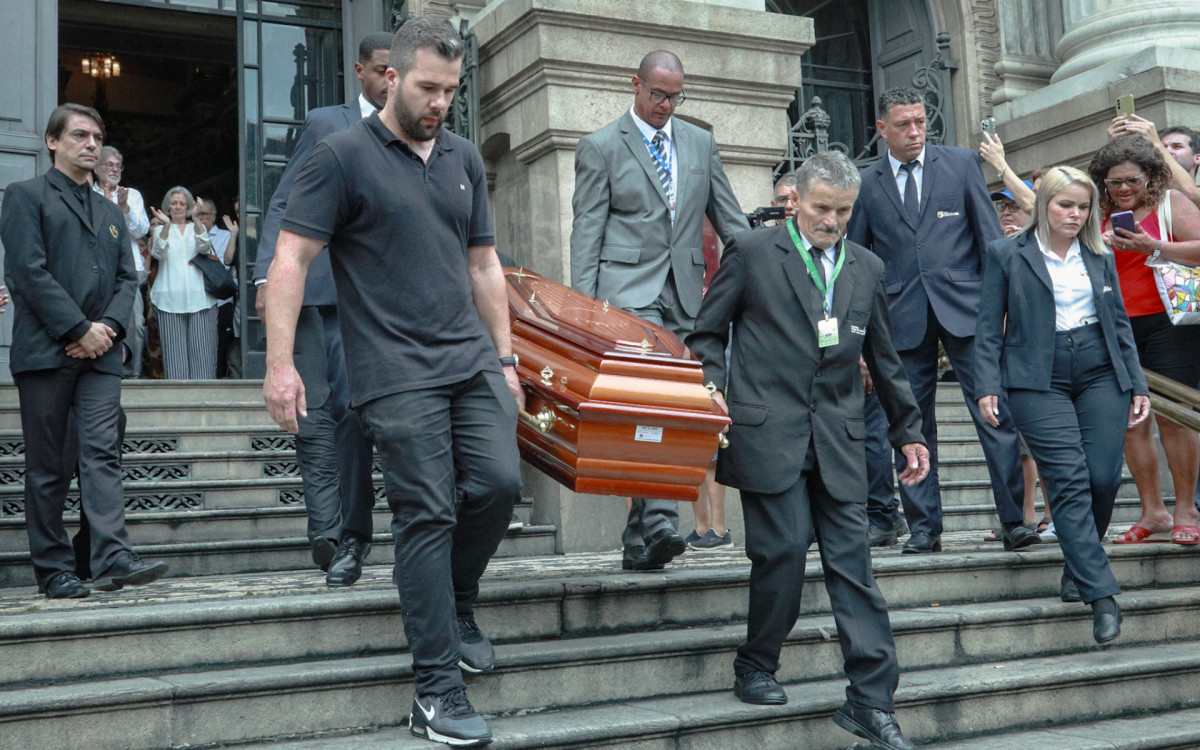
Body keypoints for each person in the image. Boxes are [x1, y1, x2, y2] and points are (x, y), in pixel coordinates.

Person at [262, 19, 520, 747]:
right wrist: (281, 366)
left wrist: (504, 359)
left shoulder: (464, 156)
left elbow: (483, 268)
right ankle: (435, 692)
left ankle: (457, 599)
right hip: (392, 369)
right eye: (428, 88)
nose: (440, 101)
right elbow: (290, 260)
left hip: (469, 359)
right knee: (427, 513)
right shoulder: (339, 156)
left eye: (451, 89)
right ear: (389, 77)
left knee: (499, 485)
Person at [687, 150, 928, 750]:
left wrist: (910, 432)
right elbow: (707, 332)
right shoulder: (752, 252)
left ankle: (872, 700)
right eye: (822, 208)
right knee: (784, 554)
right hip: (768, 433)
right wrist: (711, 385)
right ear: (796, 199)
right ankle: (757, 661)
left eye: (844, 211)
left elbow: (886, 360)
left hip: (841, 441)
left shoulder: (865, 267)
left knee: (857, 572)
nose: (832, 221)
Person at [570, 49, 750, 572]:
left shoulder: (700, 144)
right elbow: (587, 233)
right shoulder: (600, 146)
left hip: (686, 297)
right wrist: (587, 313)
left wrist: (774, 274)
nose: (667, 105)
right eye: (658, 95)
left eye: (676, 96)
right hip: (626, 295)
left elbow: (732, 224)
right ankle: (663, 521)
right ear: (636, 85)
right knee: (655, 404)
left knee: (674, 409)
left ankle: (640, 539)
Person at [848, 87, 1038, 554]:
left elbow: (991, 243)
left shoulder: (960, 163)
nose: (914, 132)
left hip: (969, 312)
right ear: (882, 129)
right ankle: (924, 528)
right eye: (903, 125)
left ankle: (1015, 520)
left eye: (919, 122)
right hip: (899, 316)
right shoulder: (867, 184)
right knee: (909, 424)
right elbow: (856, 258)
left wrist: (1003, 309)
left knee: (995, 416)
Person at [0, 103, 168, 599]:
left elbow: (126, 278)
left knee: (101, 451)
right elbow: (27, 273)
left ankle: (112, 554)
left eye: (97, 136)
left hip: (102, 355)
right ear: (52, 142)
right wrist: (77, 328)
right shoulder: (25, 196)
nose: (91, 144)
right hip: (46, 352)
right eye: (79, 135)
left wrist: (108, 329)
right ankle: (54, 570)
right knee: (48, 466)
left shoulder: (112, 211)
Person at [976, 165, 1150, 642]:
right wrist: (987, 385)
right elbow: (989, 327)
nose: (1075, 214)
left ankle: (1079, 565)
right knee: (1069, 480)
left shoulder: (1099, 255)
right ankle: (1102, 595)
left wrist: (1137, 383)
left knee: (1102, 476)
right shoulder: (1006, 253)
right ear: (1044, 205)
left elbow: (1118, 324)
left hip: (1100, 370)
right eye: (1065, 205)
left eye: (1083, 206)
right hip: (1037, 377)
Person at [255, 31, 392, 585]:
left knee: (353, 415)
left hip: (372, 300)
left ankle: (350, 531)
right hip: (315, 292)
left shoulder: (410, 131)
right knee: (313, 413)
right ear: (359, 71)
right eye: (382, 70)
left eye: (396, 71)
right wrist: (267, 275)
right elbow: (286, 200)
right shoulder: (325, 123)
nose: (390, 80)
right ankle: (326, 532)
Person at [1087, 135, 1200, 545]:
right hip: (1114, 326)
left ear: (1149, 175)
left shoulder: (1170, 203)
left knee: (1176, 415)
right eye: (1112, 182)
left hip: (1169, 323)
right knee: (1132, 422)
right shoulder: (1096, 211)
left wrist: (1155, 246)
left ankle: (1187, 509)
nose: (1122, 190)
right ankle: (1153, 511)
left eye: (1131, 181)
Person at [92, 146, 149, 377]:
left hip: (130, 270)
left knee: (135, 325)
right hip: (97, 271)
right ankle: (103, 374)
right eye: (110, 165)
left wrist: (124, 209)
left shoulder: (132, 195)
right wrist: (106, 205)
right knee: (99, 323)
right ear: (96, 169)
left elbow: (142, 230)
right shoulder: (87, 193)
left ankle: (133, 376)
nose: (115, 169)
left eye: (118, 165)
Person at [149, 186, 218, 379]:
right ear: (167, 207)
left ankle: (204, 405)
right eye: (174, 203)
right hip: (168, 299)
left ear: (188, 206)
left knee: (203, 360)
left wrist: (196, 220)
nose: (178, 207)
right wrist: (166, 227)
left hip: (201, 299)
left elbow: (204, 247)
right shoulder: (160, 230)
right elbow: (158, 253)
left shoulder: (197, 227)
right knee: (174, 361)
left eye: (181, 203)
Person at [1108, 115, 1200, 208]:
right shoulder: (1147, 198)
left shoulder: (1194, 193)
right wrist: (1114, 148)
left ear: (1197, 158)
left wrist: (1157, 144)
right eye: (1164, 147)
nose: (1167, 151)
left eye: (1177, 146)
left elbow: (1191, 194)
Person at [197, 198, 238, 378]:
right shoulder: (188, 233)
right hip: (197, 299)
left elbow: (225, 264)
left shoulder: (225, 235)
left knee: (220, 345)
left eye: (204, 214)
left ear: (214, 216)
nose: (200, 218)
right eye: (197, 215)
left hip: (221, 301)